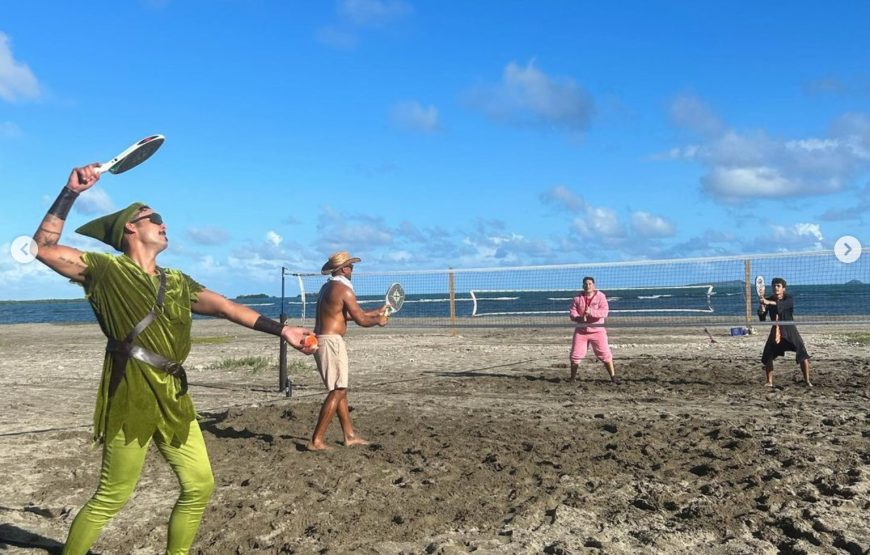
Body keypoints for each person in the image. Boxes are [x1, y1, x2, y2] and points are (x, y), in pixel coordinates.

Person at [33, 164, 316, 555]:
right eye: (157, 218)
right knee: (112, 496)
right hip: (130, 393)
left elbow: (226, 308)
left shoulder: (177, 281)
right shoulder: (105, 271)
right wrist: (70, 192)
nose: (165, 225)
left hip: (175, 396)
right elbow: (44, 249)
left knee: (200, 485)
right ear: (130, 228)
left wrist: (281, 330)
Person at [307, 251, 389, 451]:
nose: (352, 270)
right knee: (339, 390)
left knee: (340, 389)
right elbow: (360, 320)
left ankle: (349, 435)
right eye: (351, 266)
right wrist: (378, 321)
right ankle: (316, 440)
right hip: (331, 343)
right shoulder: (344, 290)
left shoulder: (328, 287)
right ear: (344, 269)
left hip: (322, 341)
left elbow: (347, 315)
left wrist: (376, 312)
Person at [758, 277, 811, 388]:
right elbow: (762, 318)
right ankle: (769, 382)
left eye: (778, 286)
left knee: (802, 353)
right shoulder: (768, 300)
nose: (776, 288)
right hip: (776, 330)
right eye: (774, 286)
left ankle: (807, 381)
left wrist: (767, 302)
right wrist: (762, 308)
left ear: (783, 289)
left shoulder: (789, 299)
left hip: (789, 329)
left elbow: (780, 305)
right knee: (768, 355)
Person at [569, 276, 620, 384]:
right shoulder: (577, 298)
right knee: (575, 356)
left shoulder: (601, 296)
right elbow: (573, 313)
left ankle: (613, 377)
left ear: (593, 285)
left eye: (590, 284)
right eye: (586, 284)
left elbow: (604, 312)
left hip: (598, 330)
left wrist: (591, 311)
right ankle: (572, 378)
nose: (588, 286)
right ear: (582, 286)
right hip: (581, 331)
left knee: (605, 354)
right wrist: (578, 317)